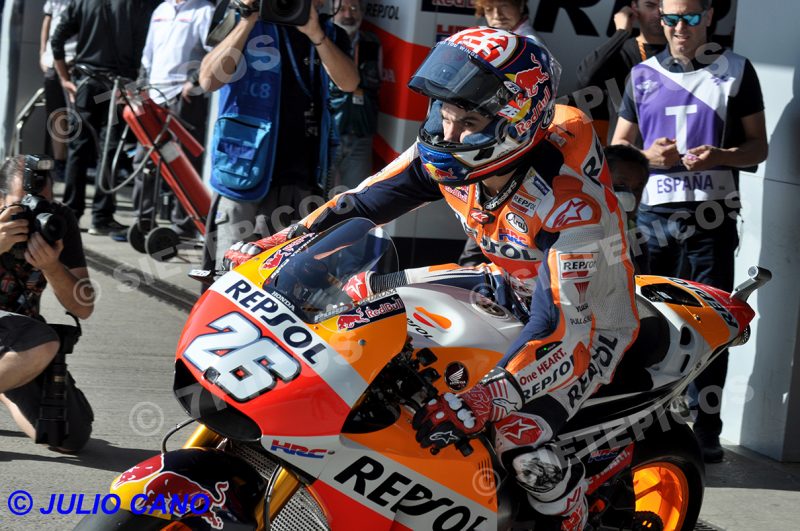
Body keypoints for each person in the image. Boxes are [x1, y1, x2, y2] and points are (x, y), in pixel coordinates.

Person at [225, 28, 639, 530]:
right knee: (359, 303)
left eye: (468, 121)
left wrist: (486, 398)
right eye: (442, 113)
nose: (448, 134)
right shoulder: (447, 154)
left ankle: (570, 518)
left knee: (518, 437)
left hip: (590, 322)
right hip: (503, 282)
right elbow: (357, 205)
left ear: (514, 123)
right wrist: (271, 250)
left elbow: (559, 330)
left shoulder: (570, 207)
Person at [611, 0, 768, 462]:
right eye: (671, 18)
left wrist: (721, 155)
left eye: (691, 17)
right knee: (646, 321)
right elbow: (620, 148)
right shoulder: (642, 75)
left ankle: (706, 427)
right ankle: (644, 418)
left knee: (711, 321)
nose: (680, 28)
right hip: (653, 219)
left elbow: (757, 147)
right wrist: (649, 159)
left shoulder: (736, 70)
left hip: (711, 218)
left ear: (710, 17)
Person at [198, 0, 359, 270]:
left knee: (284, 281)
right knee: (230, 276)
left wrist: (315, 34)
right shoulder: (240, 19)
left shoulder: (328, 32)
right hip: (243, 174)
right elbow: (208, 79)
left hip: (302, 179)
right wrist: (247, 19)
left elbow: (349, 83)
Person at [0, 155, 95, 452]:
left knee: (68, 436)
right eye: (22, 204)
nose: (34, 212)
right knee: (42, 341)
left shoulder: (58, 220)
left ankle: (7, 379)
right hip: (26, 339)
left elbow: (83, 306)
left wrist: (53, 268)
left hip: (20, 342)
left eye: (42, 203)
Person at [50, 0, 160, 235]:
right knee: (109, 151)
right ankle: (101, 217)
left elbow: (56, 39)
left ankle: (72, 213)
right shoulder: (139, 6)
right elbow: (146, 48)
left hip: (87, 85)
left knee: (79, 150)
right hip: (116, 88)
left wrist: (64, 78)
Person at [117, 0, 215, 242]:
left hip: (184, 99)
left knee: (183, 162)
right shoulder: (160, 9)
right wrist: (140, 88)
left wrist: (193, 81)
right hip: (153, 97)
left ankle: (184, 224)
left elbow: (214, 52)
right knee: (144, 159)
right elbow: (147, 56)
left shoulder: (204, 10)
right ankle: (143, 221)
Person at [575, 0, 666, 143]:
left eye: (663, 6)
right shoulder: (621, 53)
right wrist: (621, 33)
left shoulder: (685, 53)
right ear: (634, 7)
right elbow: (585, 76)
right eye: (650, 5)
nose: (658, 13)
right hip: (624, 156)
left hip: (672, 154)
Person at [329, 0, 382, 190]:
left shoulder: (372, 42)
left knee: (355, 198)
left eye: (354, 8)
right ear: (332, 10)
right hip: (330, 134)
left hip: (361, 135)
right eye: (342, 9)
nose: (348, 14)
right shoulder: (325, 40)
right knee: (320, 202)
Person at [39, 0, 78, 182]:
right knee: (57, 115)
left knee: (80, 115)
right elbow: (48, 20)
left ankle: (76, 163)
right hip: (53, 61)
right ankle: (59, 162)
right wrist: (42, 53)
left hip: (77, 62)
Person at [604, 144, 650, 273]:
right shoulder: (574, 231)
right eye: (620, 185)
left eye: (637, 189)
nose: (630, 197)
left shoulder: (635, 235)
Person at [474, 0, 547, 45]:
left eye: (504, 6)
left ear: (521, 5)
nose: (497, 15)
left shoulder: (531, 43)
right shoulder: (483, 38)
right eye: (489, 9)